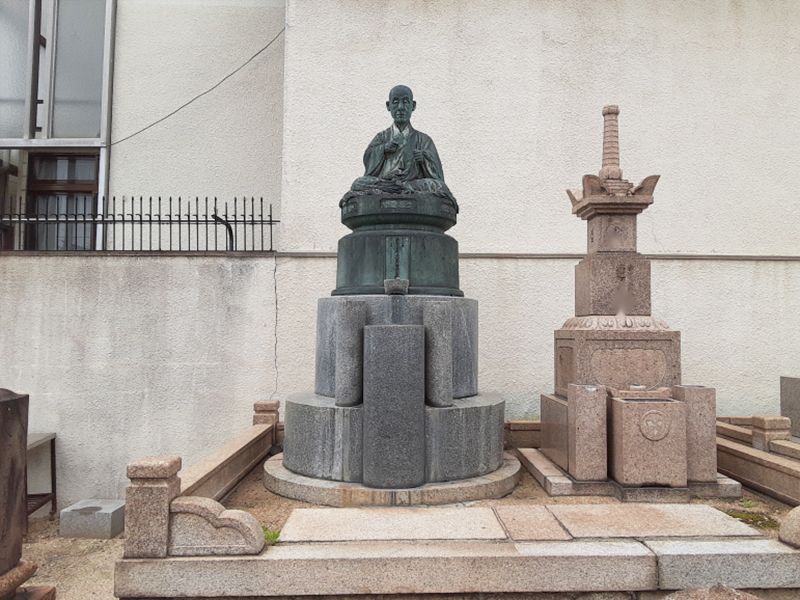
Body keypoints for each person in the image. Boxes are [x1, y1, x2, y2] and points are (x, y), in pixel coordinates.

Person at [349, 85, 456, 206]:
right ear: (388, 106)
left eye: (405, 102)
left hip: (413, 183)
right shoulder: (382, 137)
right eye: (395, 102)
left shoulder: (424, 140)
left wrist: (424, 159)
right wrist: (383, 149)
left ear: (413, 106)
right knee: (358, 183)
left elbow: (438, 176)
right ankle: (394, 188)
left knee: (438, 186)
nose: (400, 107)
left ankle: (399, 188)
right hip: (385, 182)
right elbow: (368, 162)